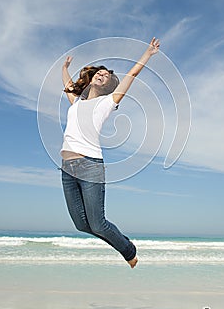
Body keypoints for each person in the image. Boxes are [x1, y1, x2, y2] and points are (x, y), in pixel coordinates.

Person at [60, 37, 160, 268]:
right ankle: (123, 244)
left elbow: (131, 76)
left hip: (90, 165)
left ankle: (128, 250)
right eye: (99, 72)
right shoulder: (76, 103)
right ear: (92, 77)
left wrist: (147, 54)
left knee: (98, 223)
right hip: (67, 168)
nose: (101, 75)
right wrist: (64, 68)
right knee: (81, 225)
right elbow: (67, 85)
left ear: (107, 84)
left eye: (105, 76)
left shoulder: (107, 102)